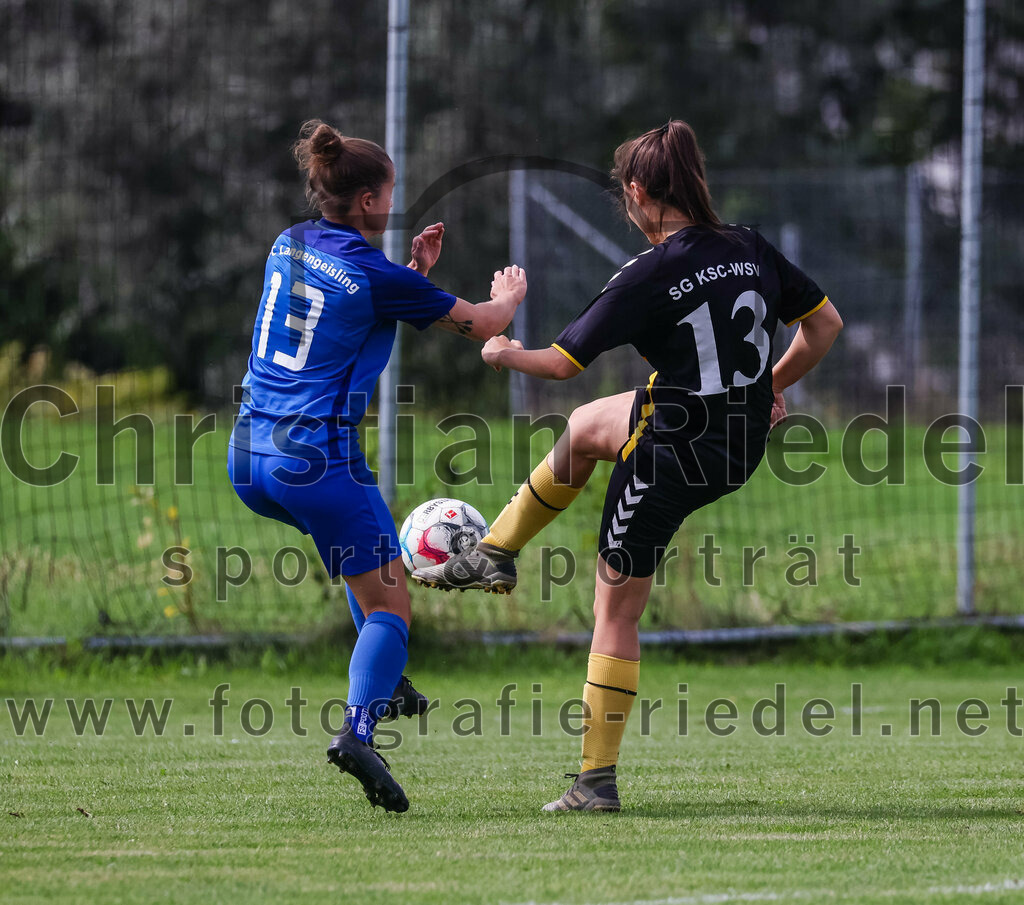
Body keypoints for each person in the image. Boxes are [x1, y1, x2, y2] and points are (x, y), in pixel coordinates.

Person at [413, 120, 842, 811]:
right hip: (738, 444)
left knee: (615, 605)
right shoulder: (751, 247)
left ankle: (594, 782)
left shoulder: (648, 274)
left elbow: (559, 364)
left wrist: (501, 354)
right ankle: (494, 549)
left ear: (640, 192)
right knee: (585, 428)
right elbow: (826, 326)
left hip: (674, 452)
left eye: (627, 199)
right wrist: (770, 385)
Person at [227, 120, 527, 813]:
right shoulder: (375, 273)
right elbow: (480, 322)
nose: (395, 203)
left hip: (250, 454)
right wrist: (507, 298)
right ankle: (358, 733)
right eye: (390, 192)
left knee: (363, 553)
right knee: (393, 603)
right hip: (316, 459)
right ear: (367, 201)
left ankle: (386, 680)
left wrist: (411, 274)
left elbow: (350, 308)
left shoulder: (288, 242)